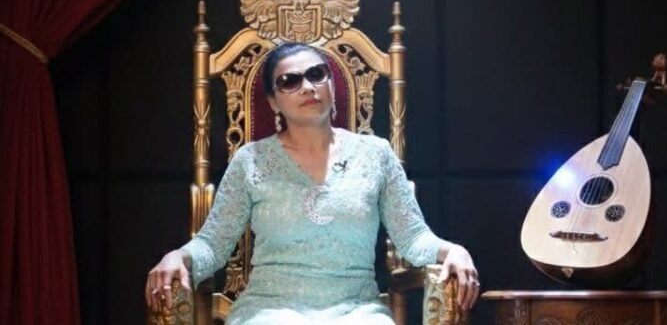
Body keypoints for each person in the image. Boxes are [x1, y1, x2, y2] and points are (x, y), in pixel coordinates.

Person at [146, 43, 479, 324]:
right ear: (273, 102)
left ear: (331, 84)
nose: (307, 86)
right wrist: (179, 256)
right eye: (289, 81)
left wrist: (452, 250)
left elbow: (413, 237)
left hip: (356, 309)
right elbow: (213, 244)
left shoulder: (376, 154)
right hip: (269, 309)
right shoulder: (250, 161)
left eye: (317, 74)